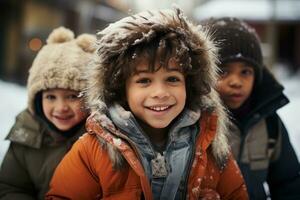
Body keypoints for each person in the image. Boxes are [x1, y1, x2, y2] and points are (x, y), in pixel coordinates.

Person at [46, 8, 248, 200]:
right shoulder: (93, 150)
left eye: (172, 79)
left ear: (190, 84)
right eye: (144, 81)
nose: (160, 93)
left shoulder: (210, 147)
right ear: (121, 89)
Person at [202, 17, 300, 199]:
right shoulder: (195, 122)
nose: (236, 82)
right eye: (223, 71)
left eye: (245, 72)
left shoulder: (268, 122)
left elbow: (289, 181)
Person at [0, 26, 96, 199]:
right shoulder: (27, 134)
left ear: (90, 99)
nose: (61, 107)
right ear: (37, 100)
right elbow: (10, 187)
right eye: (51, 97)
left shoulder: (100, 140)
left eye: (72, 96)